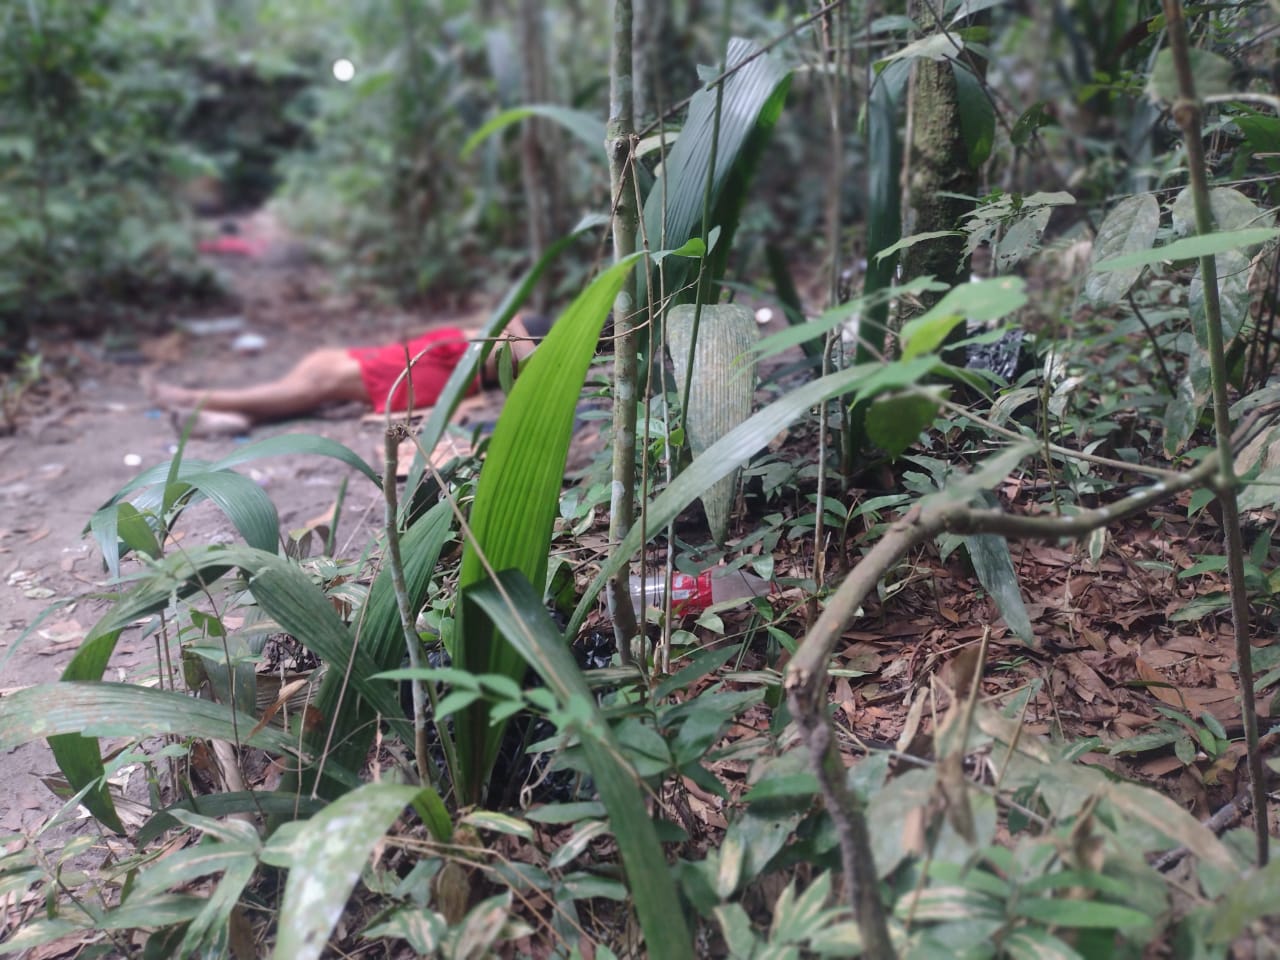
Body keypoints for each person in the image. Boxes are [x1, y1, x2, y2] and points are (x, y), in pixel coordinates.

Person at [148, 314, 553, 435]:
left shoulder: (520, 345)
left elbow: (523, 347)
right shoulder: (507, 331)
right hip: (406, 362)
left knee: (305, 389)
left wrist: (521, 333)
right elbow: (510, 317)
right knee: (301, 388)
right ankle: (220, 414)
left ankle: (199, 402)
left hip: (414, 370)